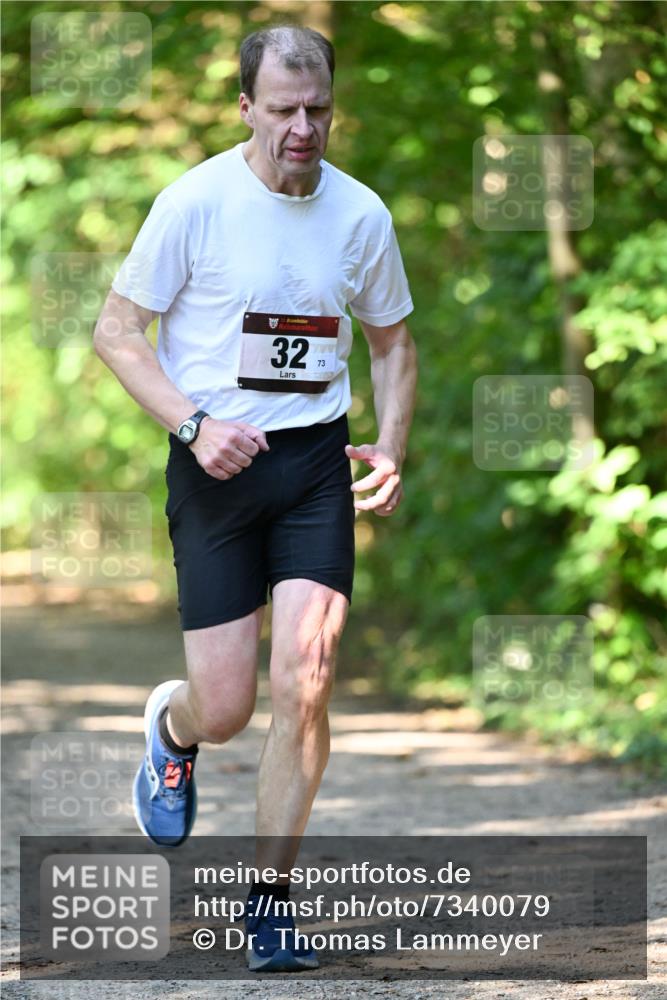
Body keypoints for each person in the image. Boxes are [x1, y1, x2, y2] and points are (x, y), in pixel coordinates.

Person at [94, 24, 417, 972]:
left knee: (306, 681)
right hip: (216, 467)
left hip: (314, 463)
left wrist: (390, 443)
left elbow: (393, 341)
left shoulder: (361, 215)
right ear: (245, 107)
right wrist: (194, 425)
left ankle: (269, 903)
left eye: (317, 111)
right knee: (227, 705)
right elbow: (118, 331)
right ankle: (173, 727)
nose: (302, 129)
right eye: (282, 110)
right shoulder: (194, 201)